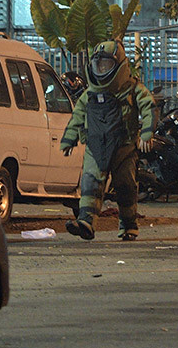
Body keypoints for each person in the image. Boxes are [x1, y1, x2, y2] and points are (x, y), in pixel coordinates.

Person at [60, 40, 155, 241]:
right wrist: (69, 139)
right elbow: (77, 115)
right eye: (99, 65)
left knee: (126, 187)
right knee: (90, 184)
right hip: (96, 146)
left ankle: (129, 226)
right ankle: (86, 222)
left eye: (107, 65)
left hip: (124, 148)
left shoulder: (132, 88)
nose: (102, 69)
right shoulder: (90, 93)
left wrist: (147, 133)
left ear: (119, 65)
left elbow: (149, 107)